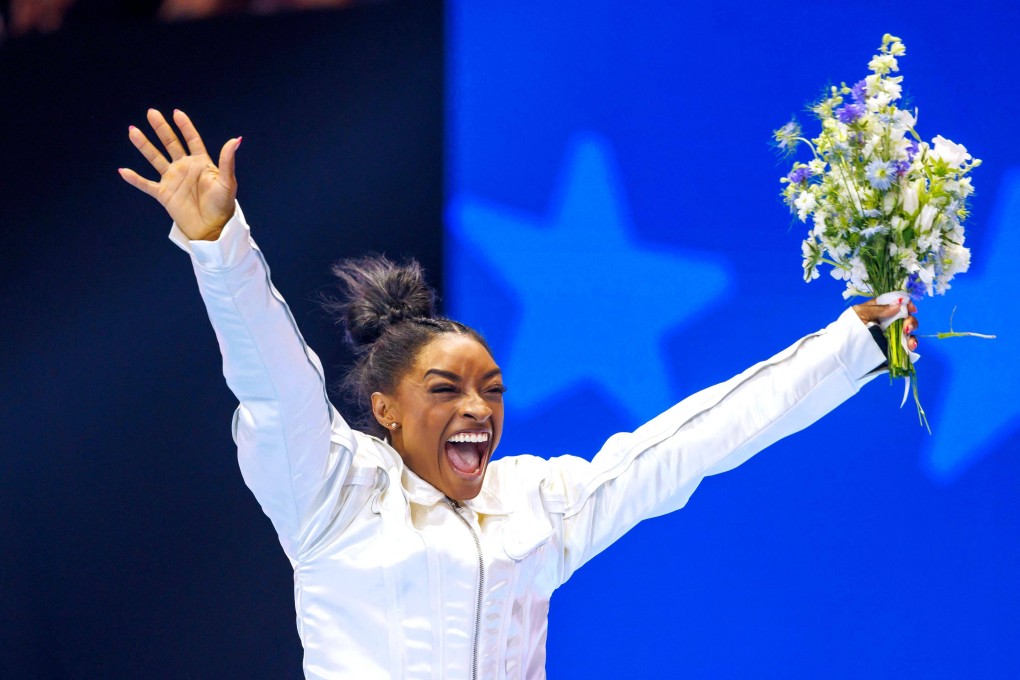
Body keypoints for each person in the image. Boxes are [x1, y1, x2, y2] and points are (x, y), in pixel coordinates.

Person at [120, 109, 919, 680]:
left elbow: (696, 440)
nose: (477, 408)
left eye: (491, 390)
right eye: (446, 389)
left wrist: (854, 344)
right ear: (386, 408)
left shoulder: (539, 502)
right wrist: (218, 244)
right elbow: (271, 380)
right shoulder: (333, 492)